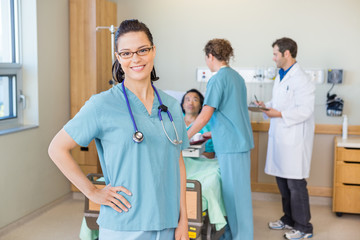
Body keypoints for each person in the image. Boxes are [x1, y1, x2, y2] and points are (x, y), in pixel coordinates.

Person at [48, 19, 190, 240]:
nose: (135, 58)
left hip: (168, 222)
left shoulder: (171, 106)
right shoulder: (101, 105)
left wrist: (184, 219)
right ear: (118, 57)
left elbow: (178, 162)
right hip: (124, 224)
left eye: (142, 50)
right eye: (126, 53)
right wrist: (92, 192)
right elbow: (56, 149)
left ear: (153, 51)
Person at [187, 39, 254, 240]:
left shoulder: (217, 79)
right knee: (235, 195)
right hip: (237, 142)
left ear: (210, 56)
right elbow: (231, 114)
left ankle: (242, 236)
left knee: (236, 198)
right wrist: (212, 133)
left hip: (231, 146)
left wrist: (185, 135)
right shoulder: (237, 78)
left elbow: (206, 114)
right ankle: (232, 234)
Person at [257, 37, 315, 240]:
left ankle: (304, 228)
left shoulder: (302, 79)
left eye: (275, 54)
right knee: (282, 182)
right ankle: (289, 219)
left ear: (286, 53)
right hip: (281, 138)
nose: (273, 58)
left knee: (295, 185)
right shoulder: (281, 75)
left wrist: (279, 114)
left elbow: (305, 110)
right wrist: (267, 105)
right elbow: (281, 102)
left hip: (294, 141)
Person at [181, 89, 214, 159]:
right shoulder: (173, 122)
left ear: (201, 106)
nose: (190, 103)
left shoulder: (207, 127)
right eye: (187, 100)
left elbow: (211, 154)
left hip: (199, 161)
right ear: (183, 105)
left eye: (195, 100)